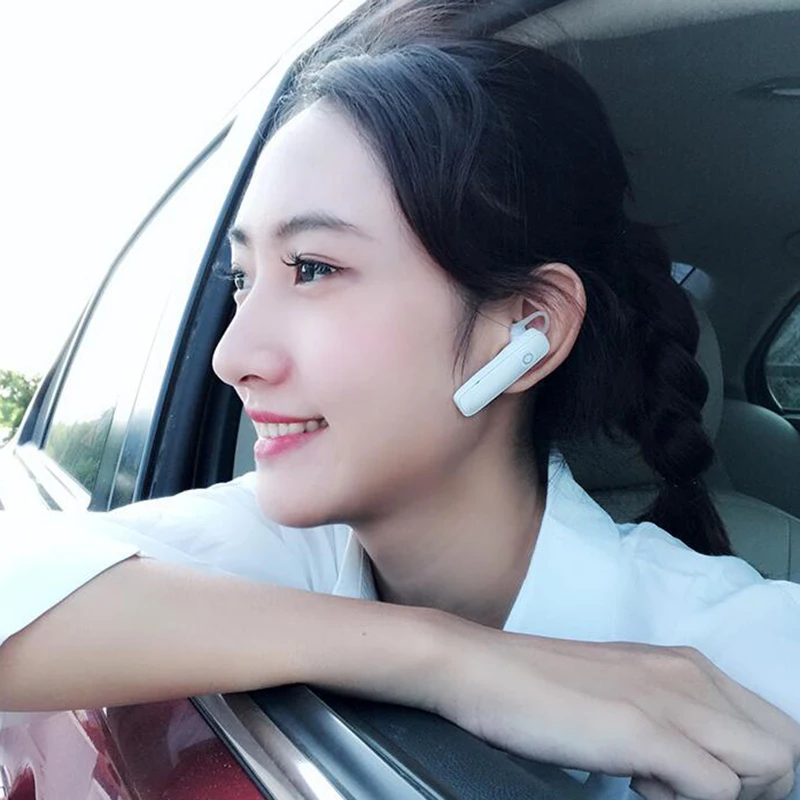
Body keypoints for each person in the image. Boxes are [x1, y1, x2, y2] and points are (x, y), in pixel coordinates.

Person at [2, 4, 799, 799]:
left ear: (525, 329)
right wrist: (450, 657)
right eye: (242, 279)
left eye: (313, 268)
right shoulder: (287, 552)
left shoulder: (747, 652)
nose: (230, 357)